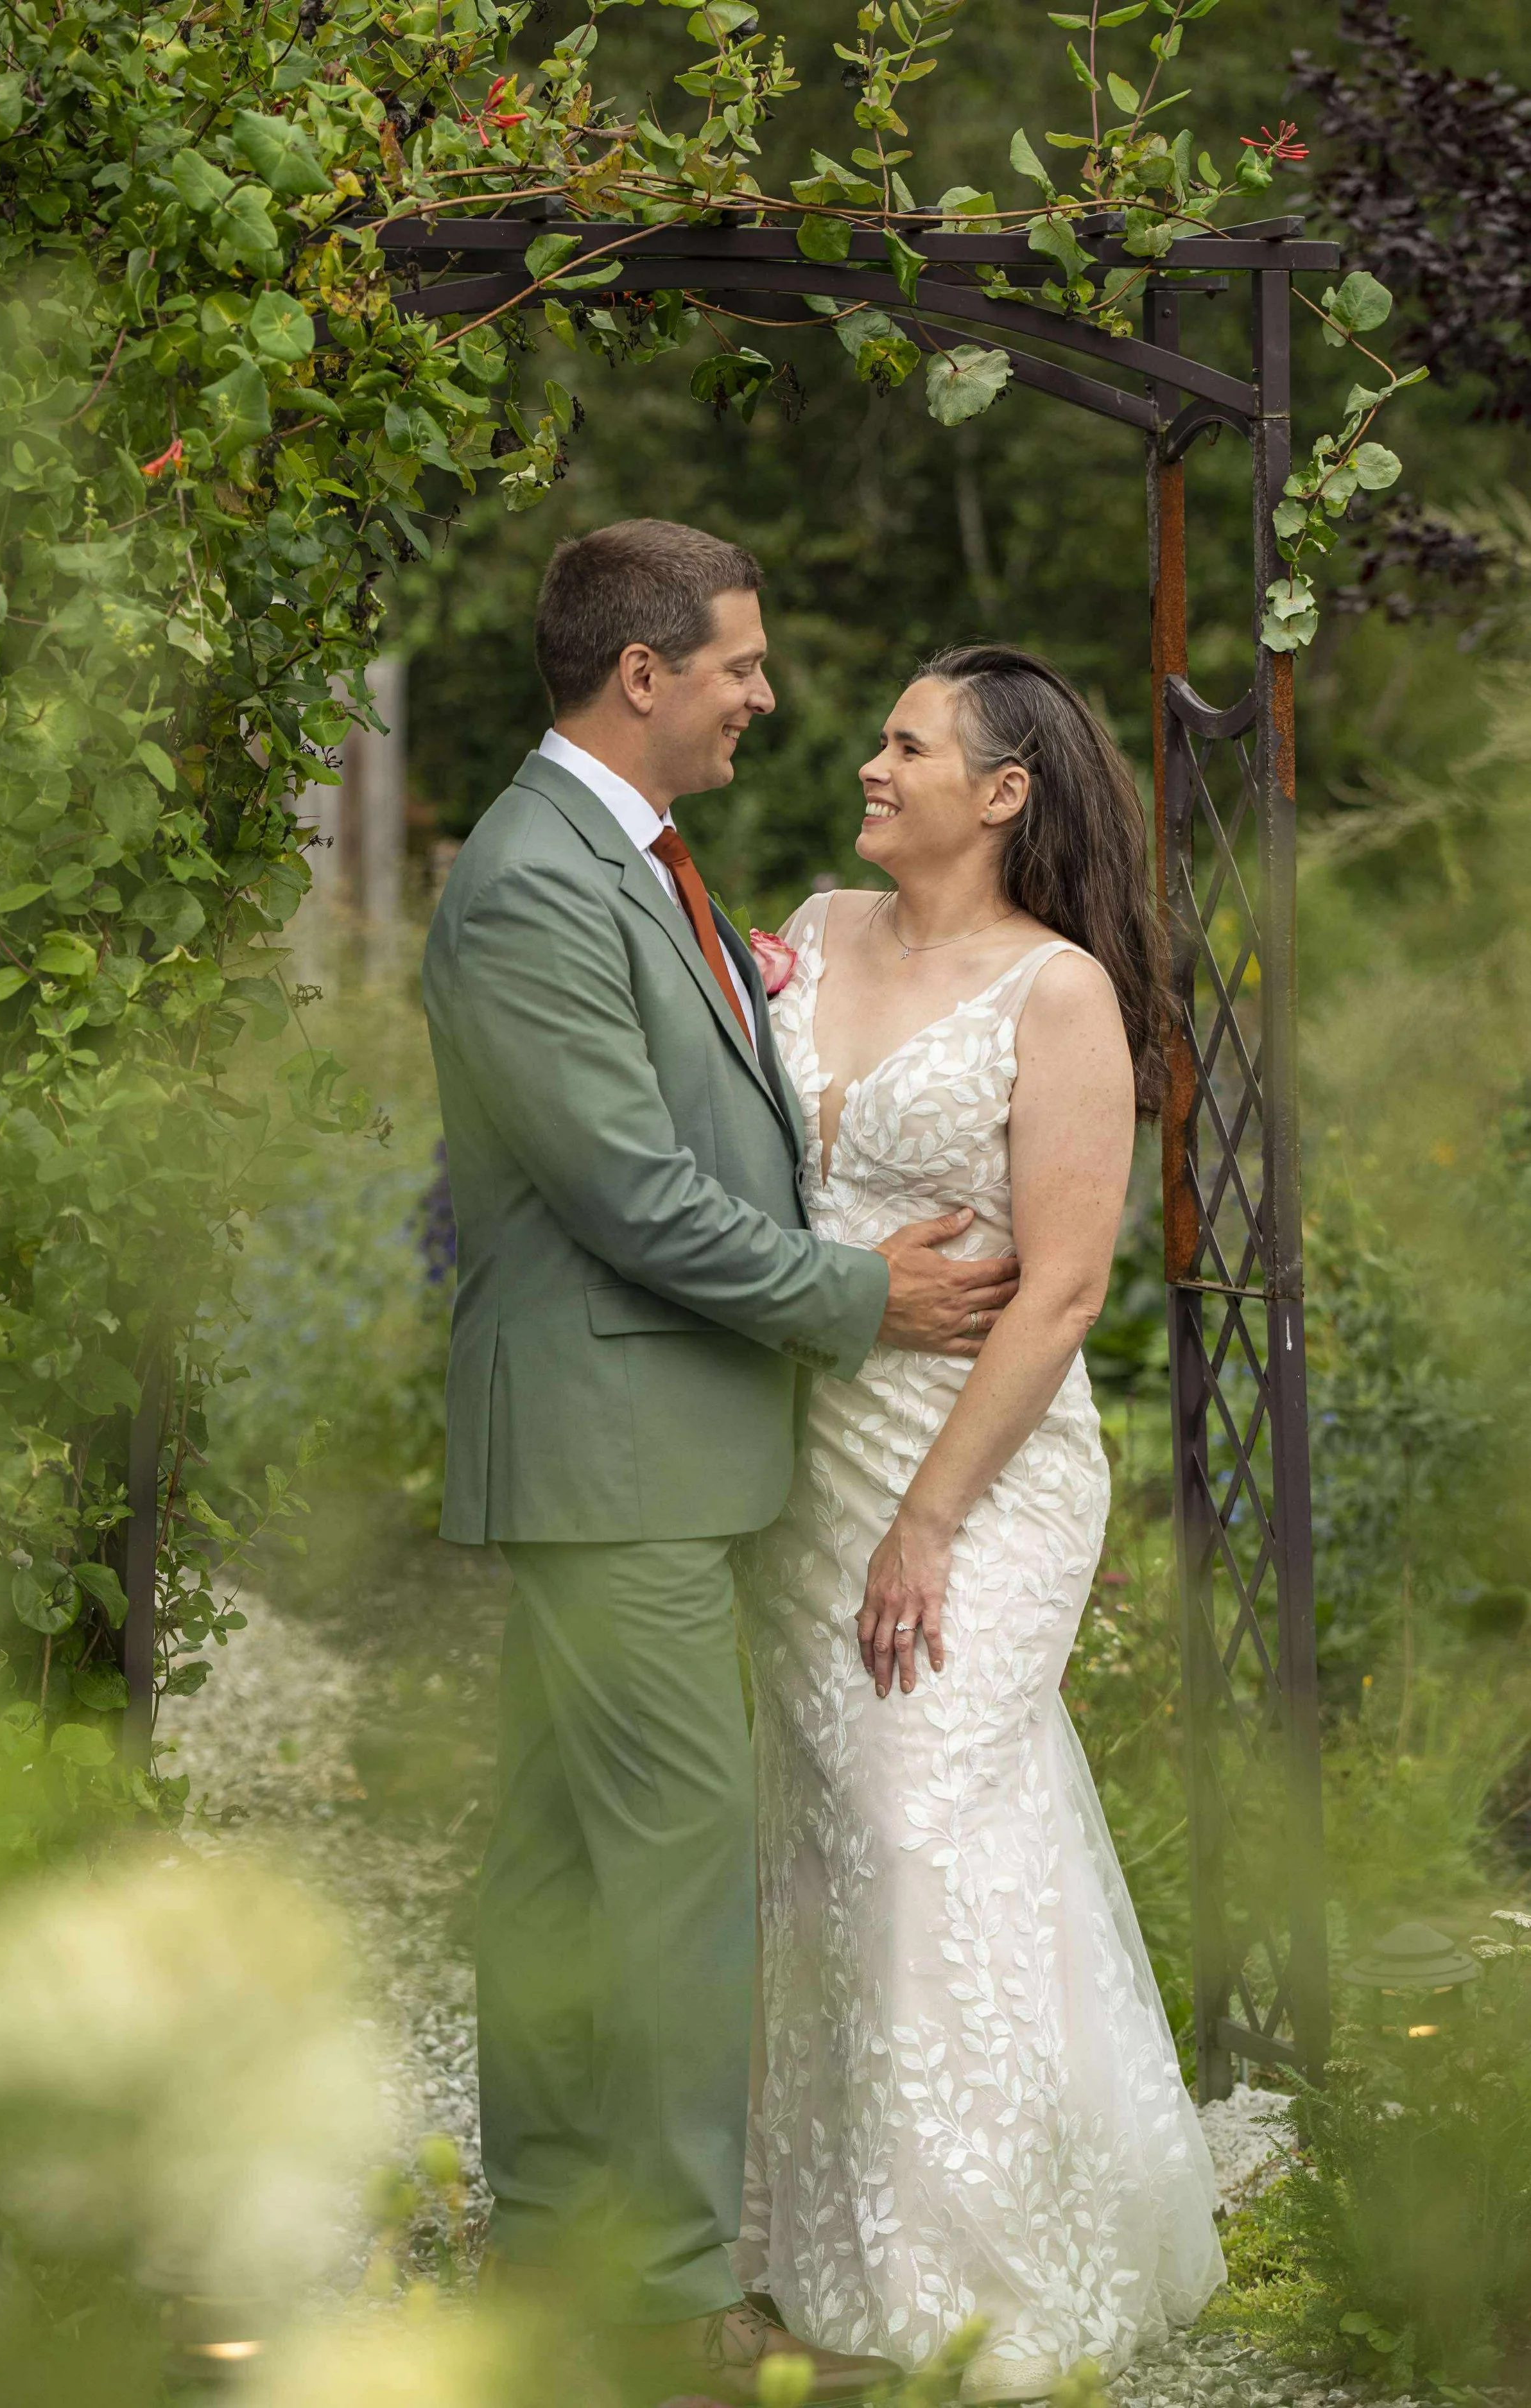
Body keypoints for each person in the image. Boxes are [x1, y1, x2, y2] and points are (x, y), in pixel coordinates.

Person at [421, 523, 1021, 2404]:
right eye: (743, 665)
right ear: (644, 675)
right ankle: (675, 2298)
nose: (772, 695)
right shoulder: (533, 880)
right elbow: (628, 1196)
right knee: (674, 1865)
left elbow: (692, 1114)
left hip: (642, 1448)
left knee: (562, 1862)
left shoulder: (633, 862)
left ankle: (549, 2242)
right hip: (616, 1449)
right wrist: (855, 1299)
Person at [732, 646, 1227, 2399]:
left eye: (904, 742)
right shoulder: (804, 927)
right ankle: (819, 2245)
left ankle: (985, 2265)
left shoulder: (1059, 995)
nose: (867, 762)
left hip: (978, 1470)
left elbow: (1066, 1285)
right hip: (799, 1455)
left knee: (920, 1814)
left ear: (1003, 792)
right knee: (822, 1834)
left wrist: (927, 1522)